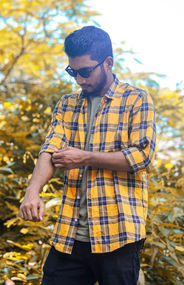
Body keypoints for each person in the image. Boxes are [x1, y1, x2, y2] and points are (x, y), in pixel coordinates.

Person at [20, 26, 156, 285]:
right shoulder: (67, 104)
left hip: (119, 237)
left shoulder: (137, 100)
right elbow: (50, 150)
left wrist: (84, 157)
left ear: (108, 63)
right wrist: (32, 191)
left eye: (85, 71)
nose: (79, 79)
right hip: (69, 236)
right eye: (73, 72)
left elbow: (142, 156)